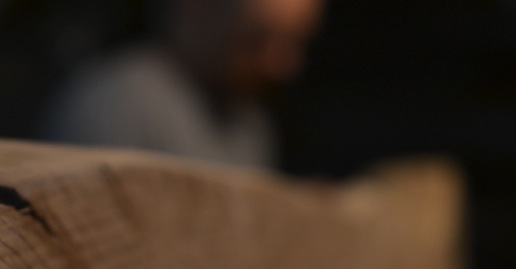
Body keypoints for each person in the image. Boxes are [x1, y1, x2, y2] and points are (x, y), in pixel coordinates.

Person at [40, 0, 326, 169]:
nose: (284, 66)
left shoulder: (249, 123)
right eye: (256, 40)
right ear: (198, 7)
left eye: (296, 43)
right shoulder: (118, 105)